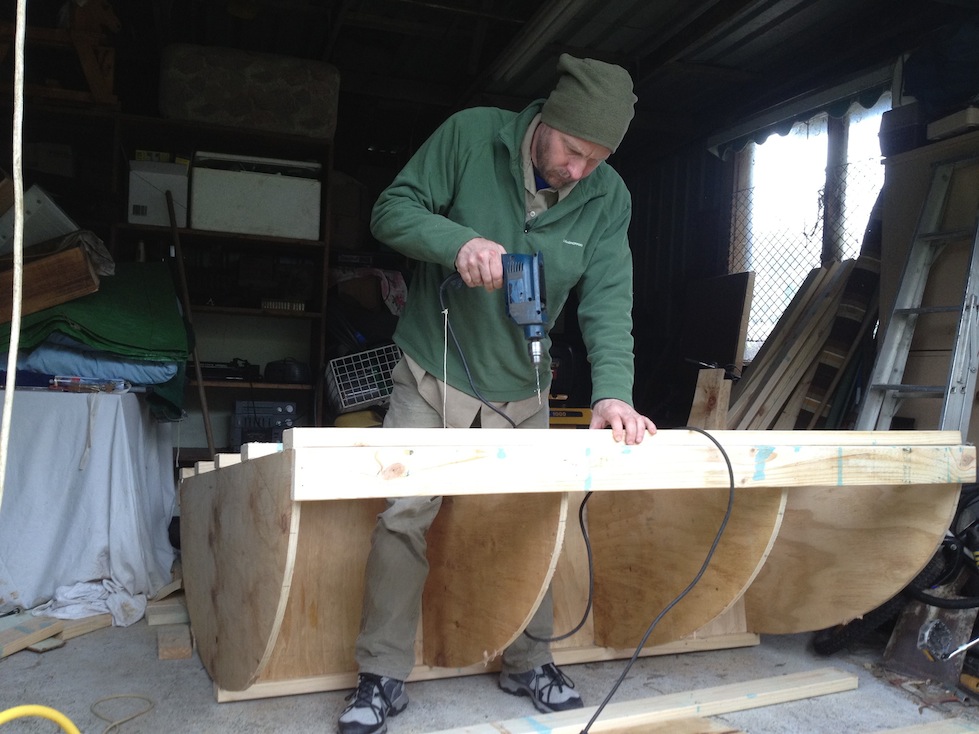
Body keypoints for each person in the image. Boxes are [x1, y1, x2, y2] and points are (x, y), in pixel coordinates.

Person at [337, 53, 657, 734]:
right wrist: (455, 243)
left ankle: (529, 660)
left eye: (595, 159)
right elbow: (391, 210)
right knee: (405, 513)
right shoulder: (469, 135)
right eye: (571, 150)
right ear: (547, 120)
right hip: (434, 367)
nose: (577, 171)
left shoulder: (608, 198)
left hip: (522, 387)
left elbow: (608, 300)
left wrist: (613, 394)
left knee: (530, 520)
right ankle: (381, 674)